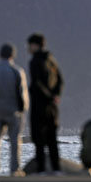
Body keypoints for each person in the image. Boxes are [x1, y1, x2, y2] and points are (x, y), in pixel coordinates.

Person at [0, 43, 29, 176]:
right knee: (15, 142)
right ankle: (14, 169)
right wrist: (22, 109)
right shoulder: (17, 71)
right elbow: (21, 93)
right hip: (13, 110)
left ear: (0, 55)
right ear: (12, 55)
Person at [27, 33, 64, 174]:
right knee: (52, 138)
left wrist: (47, 97)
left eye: (29, 45)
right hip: (53, 107)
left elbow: (37, 83)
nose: (28, 48)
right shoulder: (52, 61)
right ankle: (56, 168)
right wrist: (55, 96)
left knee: (38, 138)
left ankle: (41, 169)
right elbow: (60, 81)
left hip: (39, 105)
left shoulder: (35, 61)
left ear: (35, 45)